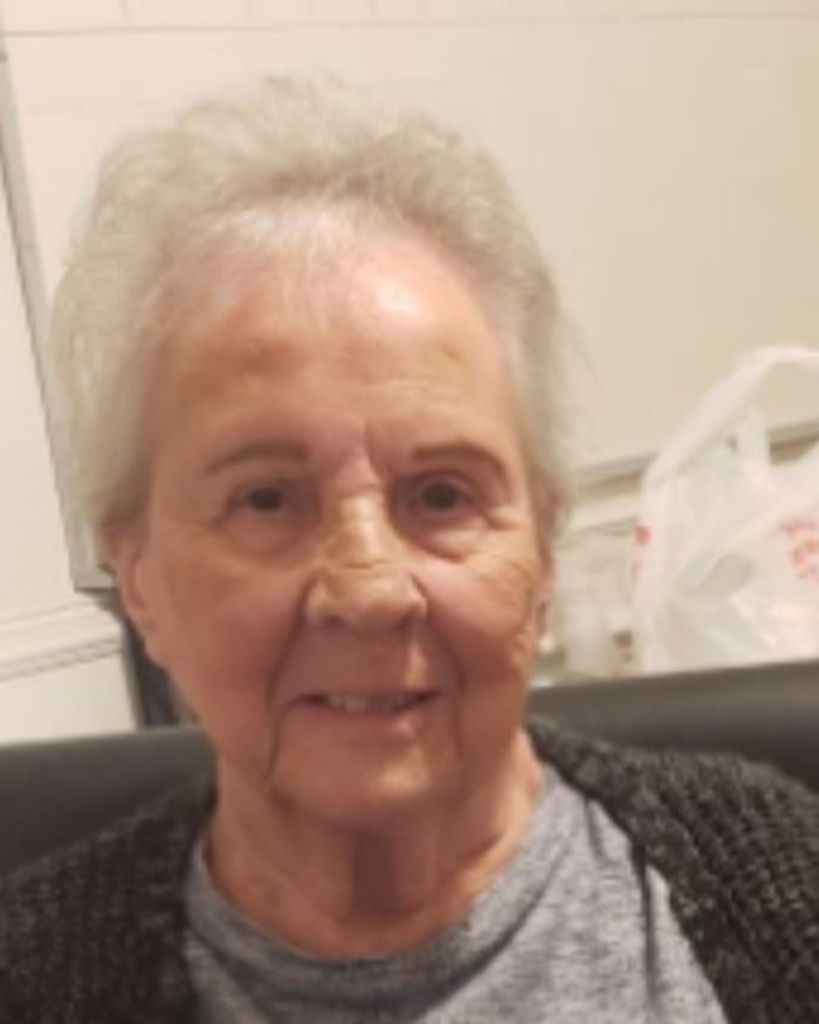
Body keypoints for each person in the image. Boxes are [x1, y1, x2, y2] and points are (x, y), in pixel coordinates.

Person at [0, 77, 816, 1024]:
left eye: (441, 495)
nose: (369, 589)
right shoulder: (30, 977)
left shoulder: (785, 887)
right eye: (265, 500)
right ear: (137, 576)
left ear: (542, 551)